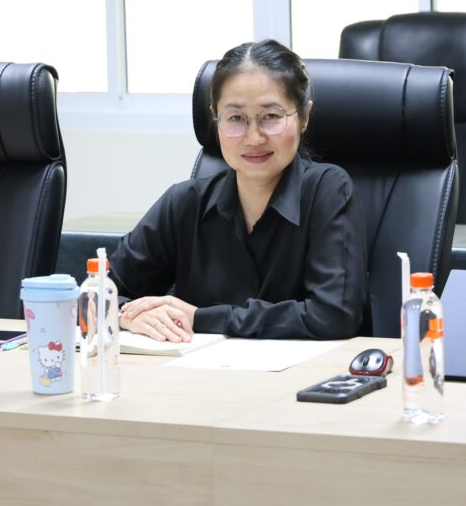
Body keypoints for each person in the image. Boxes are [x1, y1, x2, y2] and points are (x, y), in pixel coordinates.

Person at [109, 39, 367, 341]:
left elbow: (334, 316)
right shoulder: (184, 203)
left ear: (304, 117)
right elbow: (97, 294)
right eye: (235, 118)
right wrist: (127, 316)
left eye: (271, 116)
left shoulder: (327, 191)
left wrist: (200, 318)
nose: (254, 137)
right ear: (215, 118)